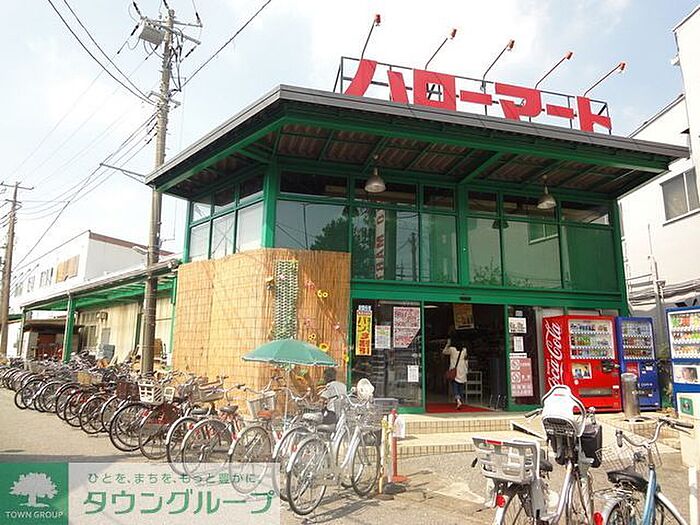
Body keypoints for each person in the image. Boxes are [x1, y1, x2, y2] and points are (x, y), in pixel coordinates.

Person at [442, 333, 468, 409]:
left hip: (454, 371)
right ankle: (460, 399)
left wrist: (448, 344)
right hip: (462, 370)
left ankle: (458, 400)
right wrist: (467, 370)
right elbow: (466, 360)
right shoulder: (464, 350)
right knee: (461, 386)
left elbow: (444, 352)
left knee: (455, 386)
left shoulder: (452, 349)